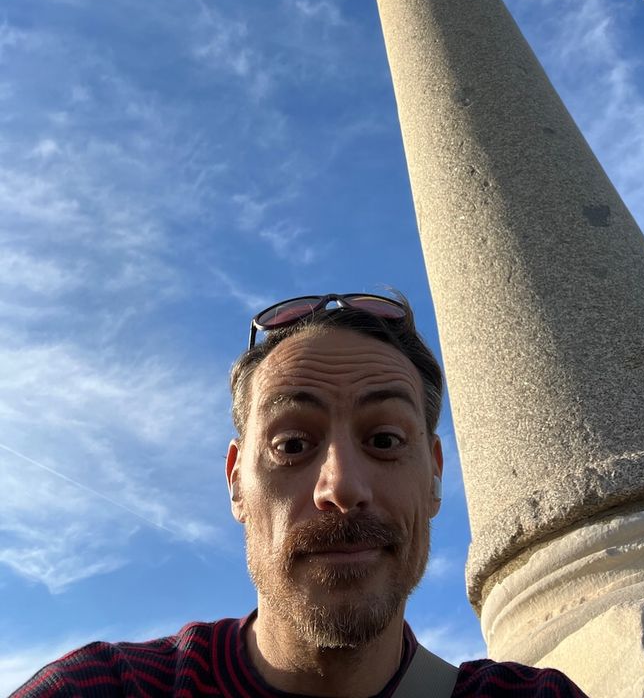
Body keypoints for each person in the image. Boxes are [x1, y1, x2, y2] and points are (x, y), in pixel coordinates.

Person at [13, 293, 589, 698]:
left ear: (434, 474)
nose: (341, 487)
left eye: (385, 439)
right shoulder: (106, 687)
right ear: (236, 479)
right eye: (291, 445)